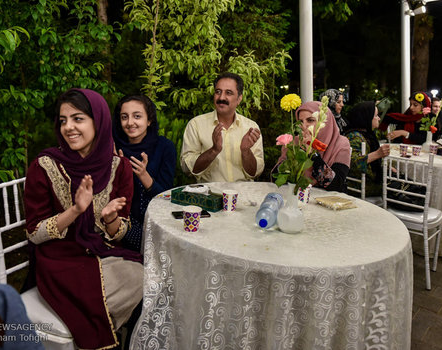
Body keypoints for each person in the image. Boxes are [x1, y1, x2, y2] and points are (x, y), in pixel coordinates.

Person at [24, 89, 143, 349]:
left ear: (98, 121)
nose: (68, 127)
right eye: (63, 120)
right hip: (60, 259)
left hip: (102, 250)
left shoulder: (118, 167)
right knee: (105, 296)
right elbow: (34, 234)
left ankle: (87, 332)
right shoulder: (43, 166)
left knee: (145, 278)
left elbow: (121, 229)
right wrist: (75, 211)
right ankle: (93, 336)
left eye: (78, 119)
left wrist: (110, 219)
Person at [113, 94, 176, 252]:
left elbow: (167, 198)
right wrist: (116, 168)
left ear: (149, 120)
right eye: (124, 117)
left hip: (156, 221)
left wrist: (144, 176)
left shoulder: (164, 147)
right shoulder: (113, 148)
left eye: (137, 116)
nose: (130, 123)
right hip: (119, 223)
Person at [180, 72, 264, 182]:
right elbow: (187, 169)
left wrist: (245, 151)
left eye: (228, 93)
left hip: (242, 194)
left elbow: (254, 173)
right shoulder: (196, 124)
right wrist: (214, 150)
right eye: (218, 92)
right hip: (209, 195)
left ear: (239, 99)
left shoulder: (251, 128)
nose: (221, 97)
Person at [277, 101, 351, 192]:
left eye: (310, 120)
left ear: (325, 122)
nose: (304, 126)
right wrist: (295, 155)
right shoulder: (294, 142)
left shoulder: (340, 143)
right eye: (300, 122)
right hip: (299, 198)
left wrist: (313, 155)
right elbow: (278, 177)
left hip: (330, 200)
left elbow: (336, 185)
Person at [344, 101, 390, 197]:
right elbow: (352, 163)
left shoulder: (368, 134)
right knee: (396, 187)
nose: (379, 118)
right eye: (376, 115)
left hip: (369, 180)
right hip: (360, 185)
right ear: (367, 118)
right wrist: (378, 154)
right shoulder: (354, 136)